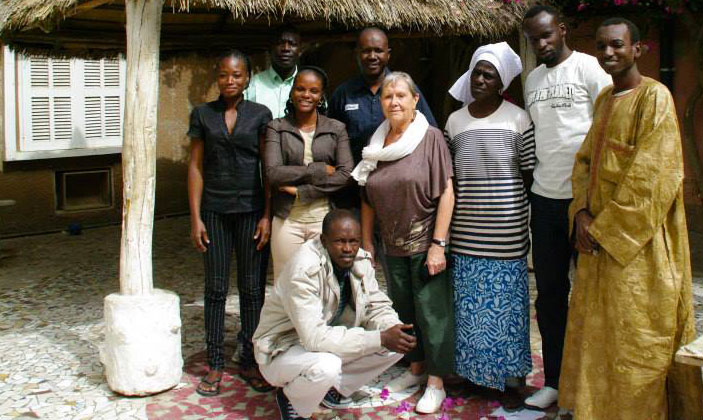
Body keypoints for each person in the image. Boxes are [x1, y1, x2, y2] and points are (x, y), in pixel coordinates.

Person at [558, 18, 703, 419]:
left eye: (617, 45)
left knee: (638, 339)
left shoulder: (655, 99)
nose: (608, 53)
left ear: (638, 49)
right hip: (596, 244)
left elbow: (654, 178)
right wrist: (581, 214)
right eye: (601, 46)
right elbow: (584, 162)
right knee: (600, 336)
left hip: (639, 250)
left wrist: (605, 230)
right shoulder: (605, 99)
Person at [521, 5, 611, 409]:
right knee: (551, 296)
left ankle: (591, 386)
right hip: (544, 200)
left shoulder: (592, 70)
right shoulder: (532, 79)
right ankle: (555, 381)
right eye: (533, 39)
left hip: (585, 206)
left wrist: (592, 206)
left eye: (545, 35)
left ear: (561, 30)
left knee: (592, 297)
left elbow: (607, 134)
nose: (540, 44)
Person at [354, 72, 455, 414]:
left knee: (433, 315)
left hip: (425, 242)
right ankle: (414, 370)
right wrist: (367, 242)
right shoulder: (376, 144)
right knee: (403, 312)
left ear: (415, 100)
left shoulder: (430, 138)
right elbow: (367, 197)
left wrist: (438, 244)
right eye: (387, 96)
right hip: (391, 246)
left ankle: (436, 382)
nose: (393, 102)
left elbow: (446, 192)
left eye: (400, 95)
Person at [253, 209, 416, 420]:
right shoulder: (304, 269)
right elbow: (314, 339)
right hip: (281, 349)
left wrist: (393, 329)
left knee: (396, 343)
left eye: (353, 241)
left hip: (321, 340)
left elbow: (377, 306)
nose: (348, 249)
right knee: (326, 366)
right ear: (323, 240)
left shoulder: (360, 260)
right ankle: (291, 398)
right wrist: (380, 338)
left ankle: (334, 391)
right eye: (340, 241)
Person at [444, 42, 535, 409]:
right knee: (469, 310)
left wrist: (520, 216)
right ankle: (472, 376)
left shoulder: (519, 119)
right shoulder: (455, 121)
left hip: (508, 234)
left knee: (508, 310)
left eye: (489, 75)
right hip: (466, 234)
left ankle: (509, 381)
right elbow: (449, 179)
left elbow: (528, 174)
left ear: (501, 83)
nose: (480, 79)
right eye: (477, 72)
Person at [187, 50, 273, 396]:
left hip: (252, 210)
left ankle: (250, 361)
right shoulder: (202, 115)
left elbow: (268, 167)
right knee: (216, 290)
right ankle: (216, 363)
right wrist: (195, 218)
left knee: (252, 291)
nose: (230, 81)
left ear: (248, 78)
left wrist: (267, 214)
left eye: (237, 75)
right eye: (223, 75)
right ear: (217, 77)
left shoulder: (261, 115)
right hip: (215, 212)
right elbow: (194, 166)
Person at [329, 27, 437, 208]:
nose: (372, 56)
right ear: (357, 54)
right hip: (354, 191)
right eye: (366, 51)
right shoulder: (343, 94)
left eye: (378, 50)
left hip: (399, 189)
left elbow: (429, 133)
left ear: (388, 55)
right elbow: (330, 141)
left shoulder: (406, 91)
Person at [265, 66, 354, 280]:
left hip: (323, 220)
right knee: (286, 283)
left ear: (321, 96)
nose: (306, 95)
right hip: (287, 221)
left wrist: (301, 192)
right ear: (292, 91)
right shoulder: (276, 127)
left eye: (313, 91)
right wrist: (319, 169)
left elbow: (347, 174)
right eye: (300, 89)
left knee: (324, 282)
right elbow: (273, 173)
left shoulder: (336, 128)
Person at [245, 26, 301, 119]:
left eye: (292, 44)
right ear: (270, 49)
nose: (286, 48)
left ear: (300, 50)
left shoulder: (310, 87)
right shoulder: (253, 84)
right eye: (280, 43)